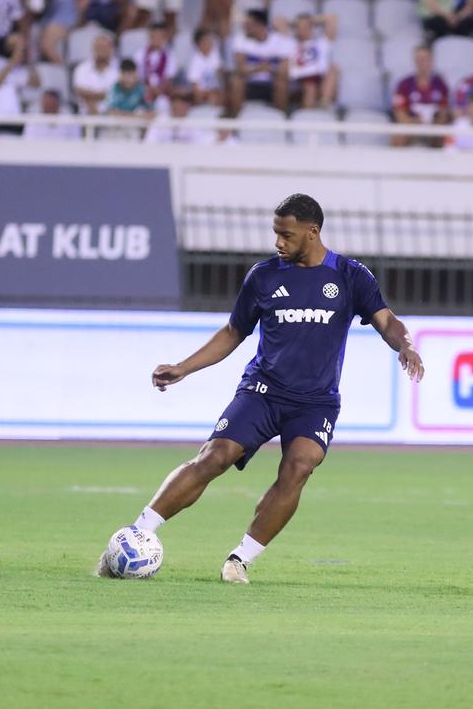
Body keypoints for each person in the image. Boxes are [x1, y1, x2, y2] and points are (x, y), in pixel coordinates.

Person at [99, 194, 423, 584]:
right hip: (262, 391)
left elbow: (387, 320)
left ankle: (240, 560)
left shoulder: (350, 276)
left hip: (315, 402)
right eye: (275, 234)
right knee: (214, 456)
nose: (278, 243)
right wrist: (185, 367)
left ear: (312, 232)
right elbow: (234, 331)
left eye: (286, 235)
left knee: (299, 467)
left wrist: (405, 345)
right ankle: (139, 533)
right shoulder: (264, 276)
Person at [229, 6, 291, 112]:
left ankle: (282, 120)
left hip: (271, 83)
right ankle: (235, 119)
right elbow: (241, 69)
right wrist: (261, 67)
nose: (245, 27)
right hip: (250, 84)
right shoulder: (240, 40)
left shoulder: (280, 41)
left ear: (260, 25)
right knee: (236, 81)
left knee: (282, 83)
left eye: (248, 24)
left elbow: (284, 71)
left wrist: (266, 69)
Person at [390, 44, 451, 147]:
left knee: (446, 136)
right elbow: (399, 113)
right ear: (414, 61)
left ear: (432, 61)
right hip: (411, 125)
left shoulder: (441, 85)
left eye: (425, 59)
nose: (422, 62)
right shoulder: (404, 84)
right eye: (419, 59)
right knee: (399, 136)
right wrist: (414, 123)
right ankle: (397, 162)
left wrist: (433, 125)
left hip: (433, 127)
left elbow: (443, 113)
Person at [285, 12, 337, 111]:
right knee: (310, 87)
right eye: (299, 27)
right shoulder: (291, 43)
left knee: (333, 69)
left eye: (305, 26)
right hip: (300, 80)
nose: (302, 29)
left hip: (320, 79)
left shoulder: (321, 42)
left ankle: (325, 102)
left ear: (311, 27)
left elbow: (332, 18)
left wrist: (310, 20)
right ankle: (308, 116)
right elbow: (279, 22)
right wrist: (294, 24)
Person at [71, 31, 117, 115]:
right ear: (93, 49)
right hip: (86, 116)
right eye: (99, 47)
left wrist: (91, 95)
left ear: (111, 49)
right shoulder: (82, 69)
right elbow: (80, 92)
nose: (101, 51)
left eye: (104, 47)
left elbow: (118, 94)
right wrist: (104, 94)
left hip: (112, 116)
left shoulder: (118, 70)